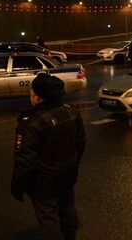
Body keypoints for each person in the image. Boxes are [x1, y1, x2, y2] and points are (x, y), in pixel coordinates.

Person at [11, 73, 86, 240]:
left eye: (31, 93)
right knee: (67, 207)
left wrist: (18, 186)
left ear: (37, 98)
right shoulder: (71, 112)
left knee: (48, 217)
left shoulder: (32, 121)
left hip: (44, 180)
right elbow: (80, 143)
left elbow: (25, 159)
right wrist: (73, 164)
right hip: (67, 172)